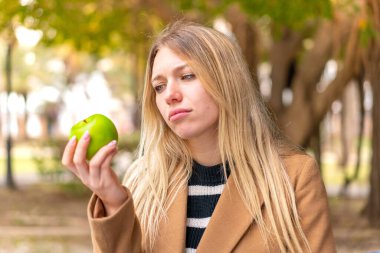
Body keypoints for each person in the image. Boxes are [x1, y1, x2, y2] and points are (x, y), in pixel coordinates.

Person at [62, 20, 336, 253]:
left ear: (226, 81)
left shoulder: (293, 177)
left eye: (188, 76)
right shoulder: (143, 180)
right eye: (159, 86)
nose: (170, 94)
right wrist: (112, 203)